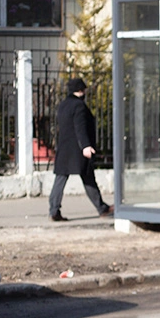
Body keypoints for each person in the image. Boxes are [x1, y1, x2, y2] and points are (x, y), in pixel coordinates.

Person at [48, 78, 112, 222]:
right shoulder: (79, 106)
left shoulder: (63, 105)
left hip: (64, 148)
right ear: (81, 90)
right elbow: (80, 127)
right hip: (78, 149)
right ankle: (102, 208)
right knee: (88, 178)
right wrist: (86, 146)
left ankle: (53, 210)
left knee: (60, 179)